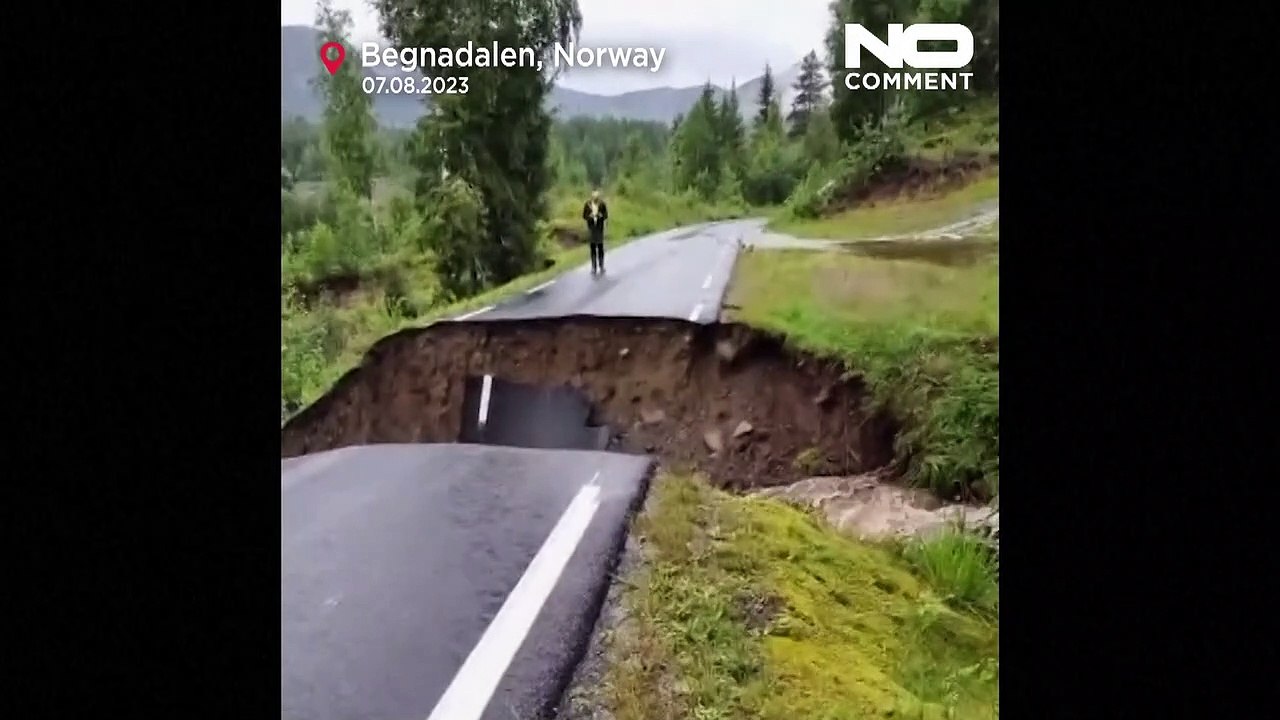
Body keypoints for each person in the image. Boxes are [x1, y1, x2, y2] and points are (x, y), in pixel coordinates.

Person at [582, 189, 609, 274]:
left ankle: (601, 266)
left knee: (600, 248)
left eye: (597, 197)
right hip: (592, 229)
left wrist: (601, 215)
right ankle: (594, 267)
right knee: (593, 248)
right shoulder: (587, 204)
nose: (595, 199)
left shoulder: (602, 204)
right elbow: (584, 215)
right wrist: (589, 216)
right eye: (594, 197)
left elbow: (606, 215)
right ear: (592, 197)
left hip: (599, 228)